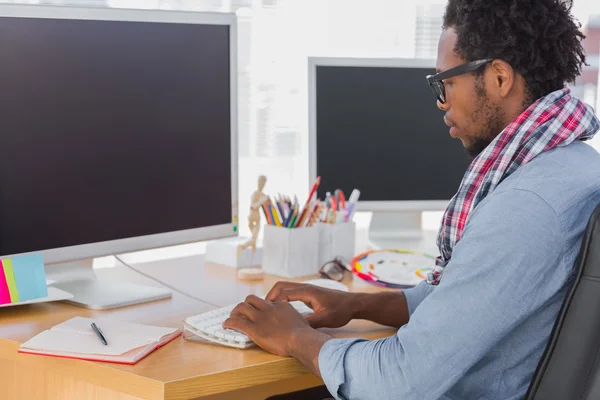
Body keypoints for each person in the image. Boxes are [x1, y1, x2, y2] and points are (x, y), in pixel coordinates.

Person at [223, 0, 600, 398]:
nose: (441, 102)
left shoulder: (524, 207)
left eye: (447, 82)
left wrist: (294, 336)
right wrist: (356, 305)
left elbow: (398, 381)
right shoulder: (575, 166)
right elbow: (464, 301)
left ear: (500, 78)